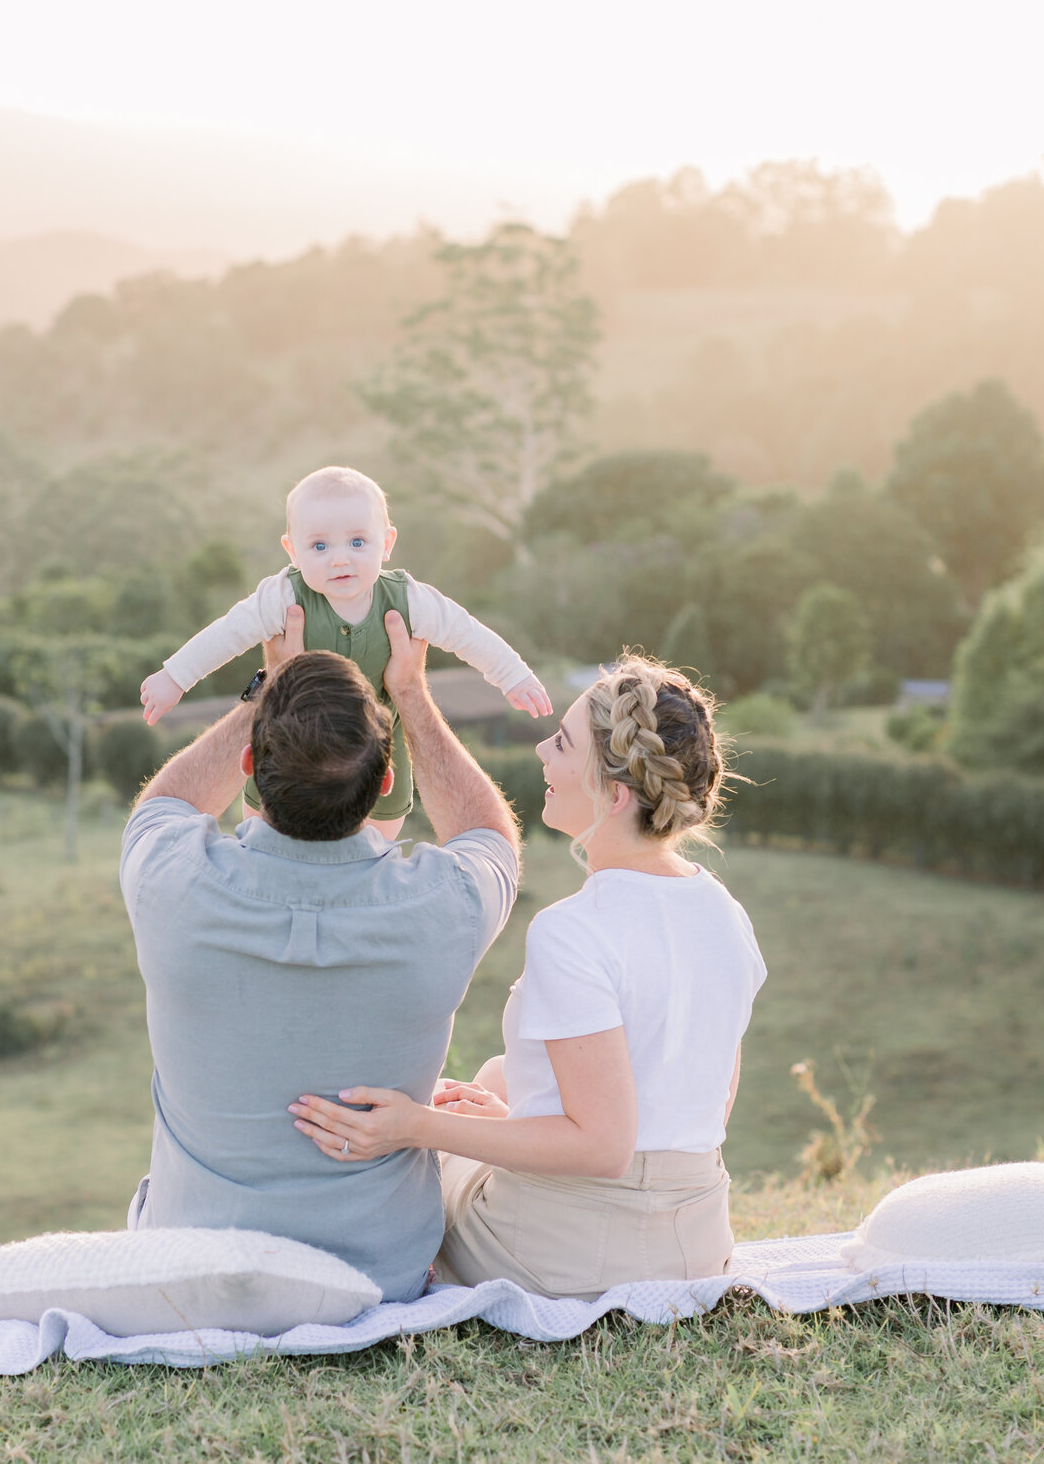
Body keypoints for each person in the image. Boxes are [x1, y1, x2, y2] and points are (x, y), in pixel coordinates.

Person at [290, 655, 763, 1301]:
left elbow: (603, 1147)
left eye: (563, 743)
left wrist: (411, 1125)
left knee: (433, 1156)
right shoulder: (726, 913)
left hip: (571, 1255)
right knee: (492, 1079)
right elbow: (704, 1102)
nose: (543, 749)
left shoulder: (574, 929)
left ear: (615, 794)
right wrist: (518, 1119)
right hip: (699, 1240)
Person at [119, 607, 520, 1301]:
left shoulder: (171, 882)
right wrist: (414, 696)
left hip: (188, 1264)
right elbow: (491, 834)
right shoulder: (441, 905)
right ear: (386, 778)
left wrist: (267, 688)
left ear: (250, 763)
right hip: (378, 1276)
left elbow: (164, 806)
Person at [139, 465, 551, 839]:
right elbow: (227, 633)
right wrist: (175, 677)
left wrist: (512, 676)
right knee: (260, 828)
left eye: (357, 542)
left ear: (386, 542)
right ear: (292, 551)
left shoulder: (408, 600)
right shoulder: (284, 595)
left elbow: (467, 634)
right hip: (287, 745)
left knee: (377, 839)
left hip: (378, 749)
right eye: (319, 547)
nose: (340, 559)